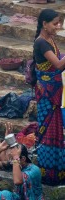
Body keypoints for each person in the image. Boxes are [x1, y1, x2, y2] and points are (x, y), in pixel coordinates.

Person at [33, 8, 65, 185]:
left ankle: (58, 170)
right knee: (48, 129)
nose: (58, 26)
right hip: (48, 94)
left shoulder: (49, 38)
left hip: (54, 91)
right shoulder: (41, 43)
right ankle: (49, 172)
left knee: (57, 128)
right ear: (44, 24)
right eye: (55, 23)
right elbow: (59, 65)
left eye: (59, 23)